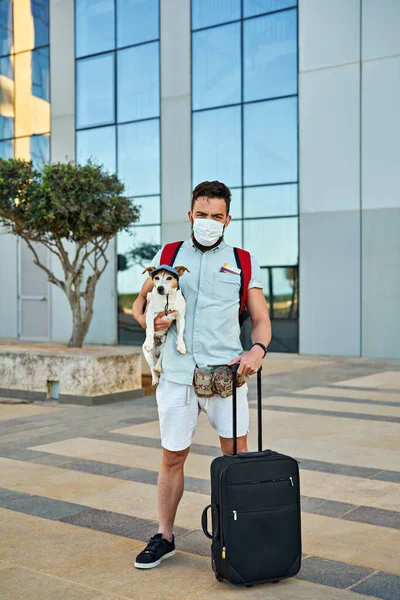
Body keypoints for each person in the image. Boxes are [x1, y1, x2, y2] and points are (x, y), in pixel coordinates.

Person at [131, 180, 272, 569]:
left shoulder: (243, 261)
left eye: (216, 216)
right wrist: (151, 323)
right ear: (190, 215)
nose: (208, 221)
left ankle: (237, 534)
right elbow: (138, 305)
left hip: (225, 377)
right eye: (202, 215)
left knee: (236, 457)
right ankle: (165, 536)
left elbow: (260, 321)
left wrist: (256, 350)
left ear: (228, 219)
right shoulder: (169, 253)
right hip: (177, 375)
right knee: (172, 457)